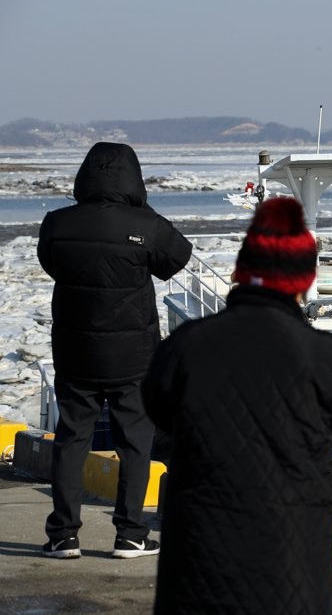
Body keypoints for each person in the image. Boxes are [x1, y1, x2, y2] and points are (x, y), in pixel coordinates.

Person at [142, 196, 332, 614]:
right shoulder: (326, 357)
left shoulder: (187, 345)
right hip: (291, 566)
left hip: (199, 564)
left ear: (242, 273)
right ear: (304, 281)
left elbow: (158, 407)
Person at [37, 141, 193, 559]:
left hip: (76, 352)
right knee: (135, 444)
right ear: (134, 177)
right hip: (134, 357)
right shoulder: (146, 224)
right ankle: (130, 534)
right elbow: (178, 259)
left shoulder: (56, 223)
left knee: (71, 438)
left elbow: (50, 263)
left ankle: (63, 535)